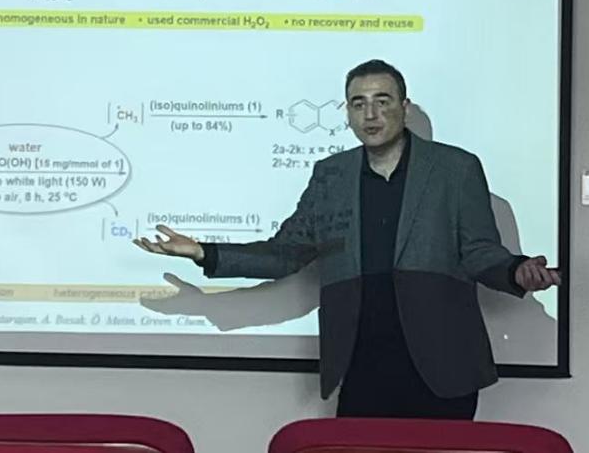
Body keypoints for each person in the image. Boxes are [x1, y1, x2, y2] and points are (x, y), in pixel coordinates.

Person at [134, 59, 560, 419]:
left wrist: (516, 271)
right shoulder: (331, 175)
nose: (370, 114)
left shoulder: (455, 168)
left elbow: (479, 251)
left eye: (382, 101)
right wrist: (204, 252)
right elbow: (286, 253)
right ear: (348, 113)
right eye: (359, 103)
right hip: (361, 361)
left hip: (443, 362)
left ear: (404, 108)